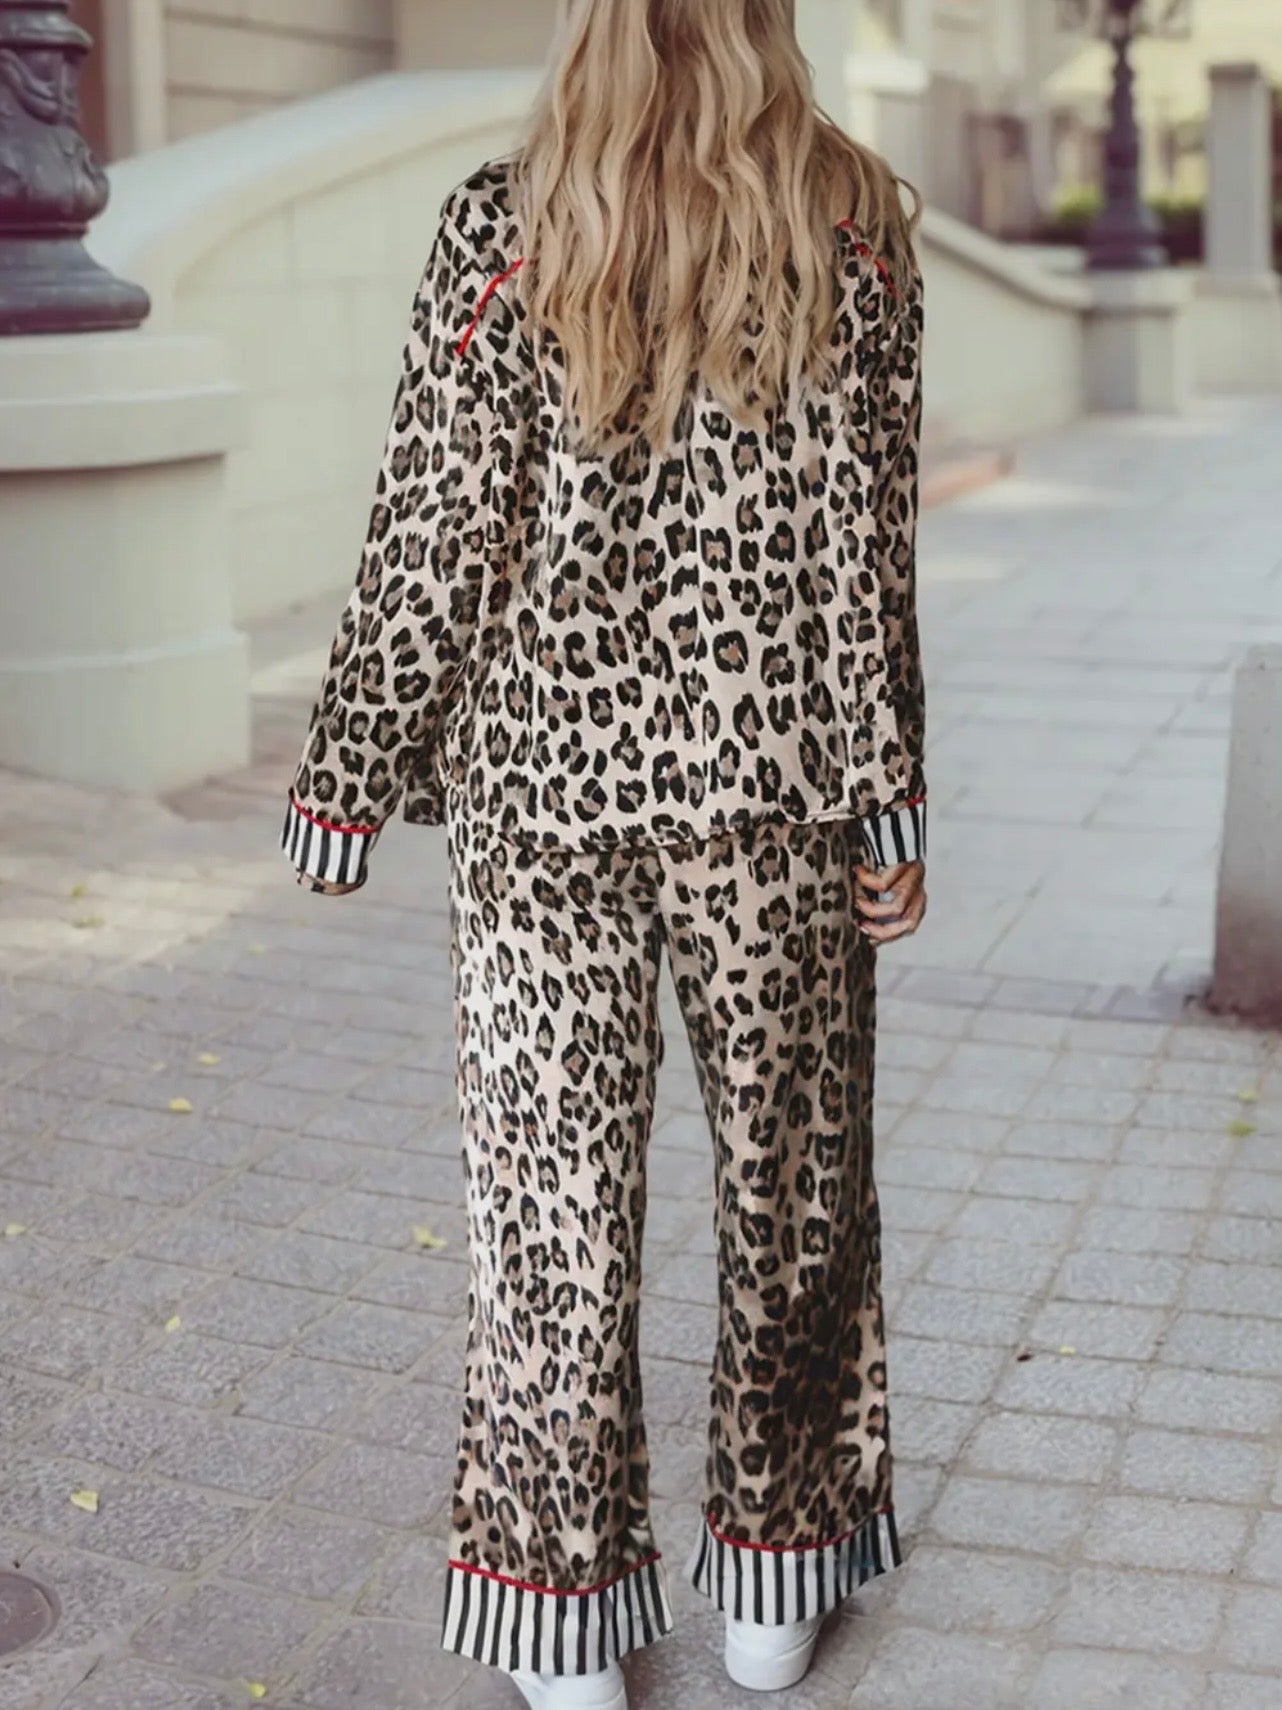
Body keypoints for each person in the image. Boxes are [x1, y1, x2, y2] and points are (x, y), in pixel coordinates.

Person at [280, 2, 928, 1704]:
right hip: (772, 786)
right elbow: (863, 548)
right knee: (793, 1189)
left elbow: (436, 526)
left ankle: (560, 1613)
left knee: (547, 1213)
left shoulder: (502, 222)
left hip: (537, 796)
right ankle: (774, 1581)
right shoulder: (849, 217)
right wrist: (888, 801)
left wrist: (345, 779)